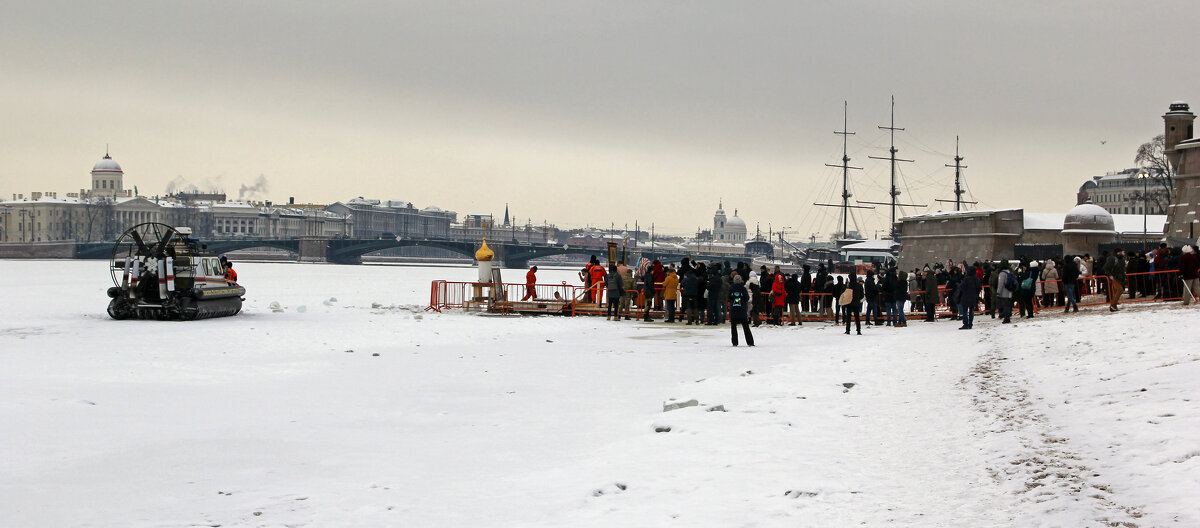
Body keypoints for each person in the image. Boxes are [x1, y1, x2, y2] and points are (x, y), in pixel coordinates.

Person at [727, 275, 754, 347]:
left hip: (733, 310)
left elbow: (728, 298)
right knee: (746, 327)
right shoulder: (743, 288)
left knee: (733, 328)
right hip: (742, 310)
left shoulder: (731, 288)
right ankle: (750, 342)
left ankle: (735, 342)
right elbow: (747, 298)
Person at [957, 265, 982, 330]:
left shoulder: (966, 279)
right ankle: (970, 324)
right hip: (973, 296)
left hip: (965, 296)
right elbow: (979, 288)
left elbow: (962, 287)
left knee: (965, 311)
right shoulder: (977, 279)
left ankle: (965, 324)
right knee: (971, 310)